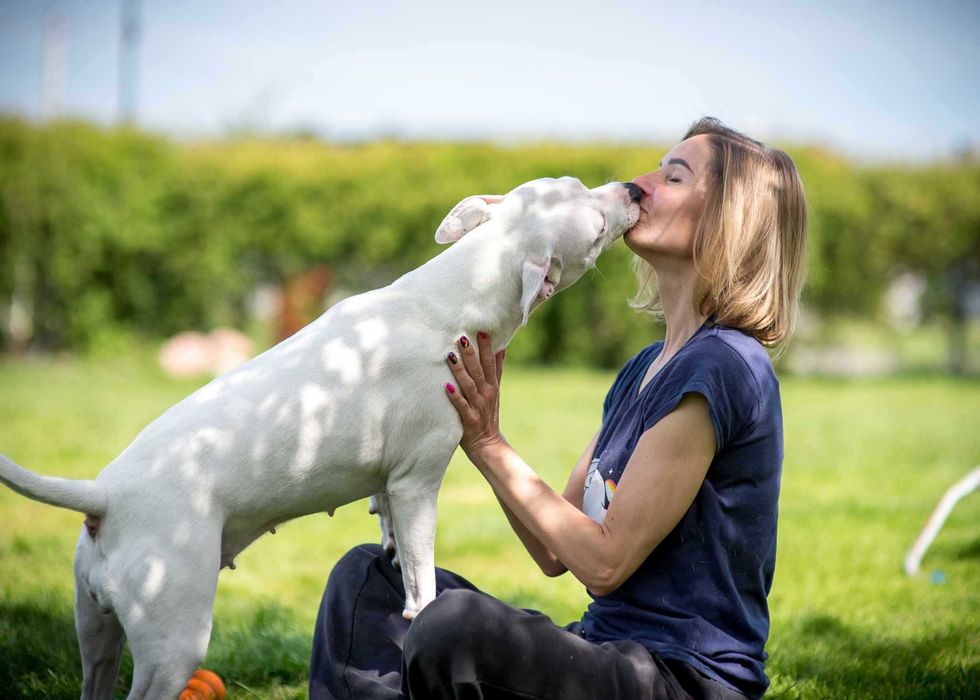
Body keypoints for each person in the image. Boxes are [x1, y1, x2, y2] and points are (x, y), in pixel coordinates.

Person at [309, 117, 808, 700]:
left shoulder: (723, 365)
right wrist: (479, 435)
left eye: (673, 176)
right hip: (609, 654)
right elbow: (554, 551)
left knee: (453, 629)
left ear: (730, 219)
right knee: (367, 580)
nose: (640, 182)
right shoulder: (643, 371)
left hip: (683, 680)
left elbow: (603, 564)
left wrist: (490, 445)